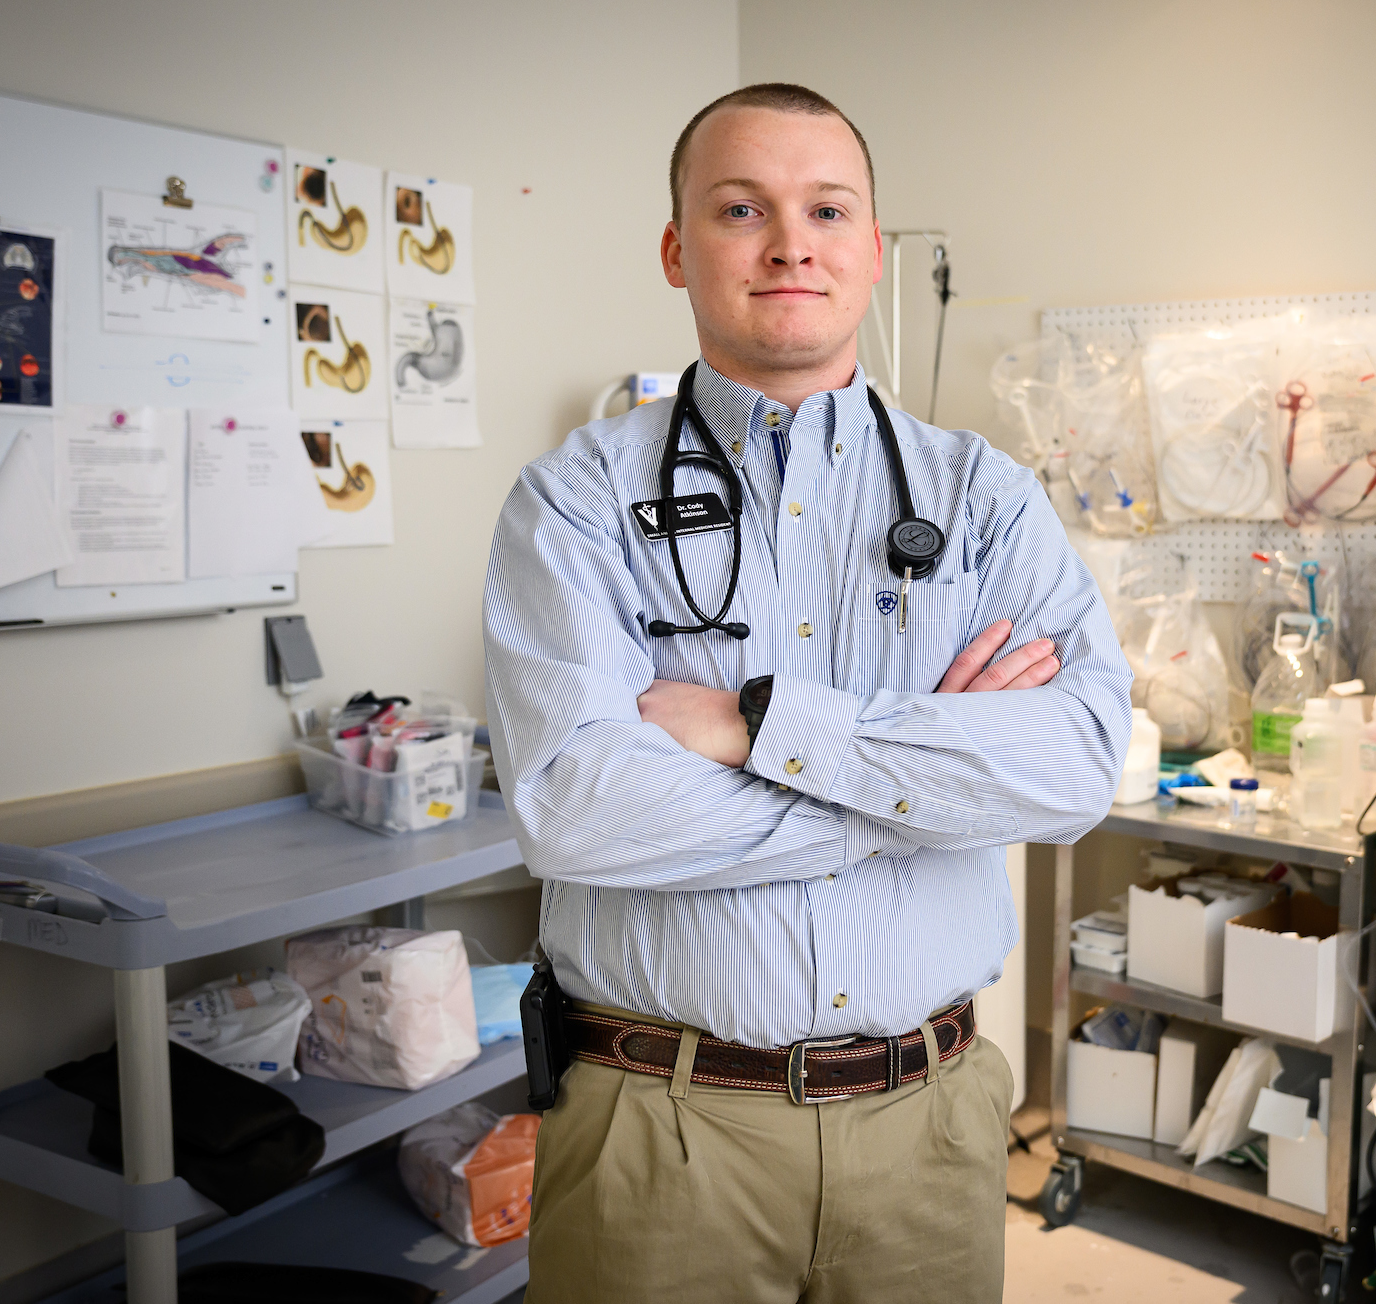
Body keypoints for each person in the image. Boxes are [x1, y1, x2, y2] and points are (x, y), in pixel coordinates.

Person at [481, 83, 1132, 1302]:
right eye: (742, 208)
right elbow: (578, 808)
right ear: (679, 248)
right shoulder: (576, 501)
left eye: (827, 208)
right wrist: (931, 789)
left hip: (928, 1133)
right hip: (659, 1133)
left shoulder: (980, 498)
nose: (790, 242)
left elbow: (1078, 766)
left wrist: (754, 729)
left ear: (873, 249)